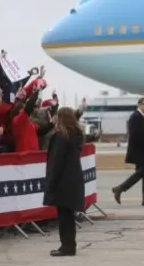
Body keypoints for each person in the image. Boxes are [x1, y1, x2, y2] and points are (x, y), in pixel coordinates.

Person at [43, 107, 85, 257]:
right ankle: (69, 244)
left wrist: (51, 184)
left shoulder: (60, 137)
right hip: (73, 179)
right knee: (69, 216)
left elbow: (56, 162)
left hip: (62, 181)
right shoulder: (76, 135)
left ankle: (67, 246)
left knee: (64, 217)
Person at [111, 97, 144, 205]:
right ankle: (120, 188)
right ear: (139, 105)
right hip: (139, 151)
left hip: (140, 150)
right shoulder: (136, 117)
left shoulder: (140, 117)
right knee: (143, 171)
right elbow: (136, 135)